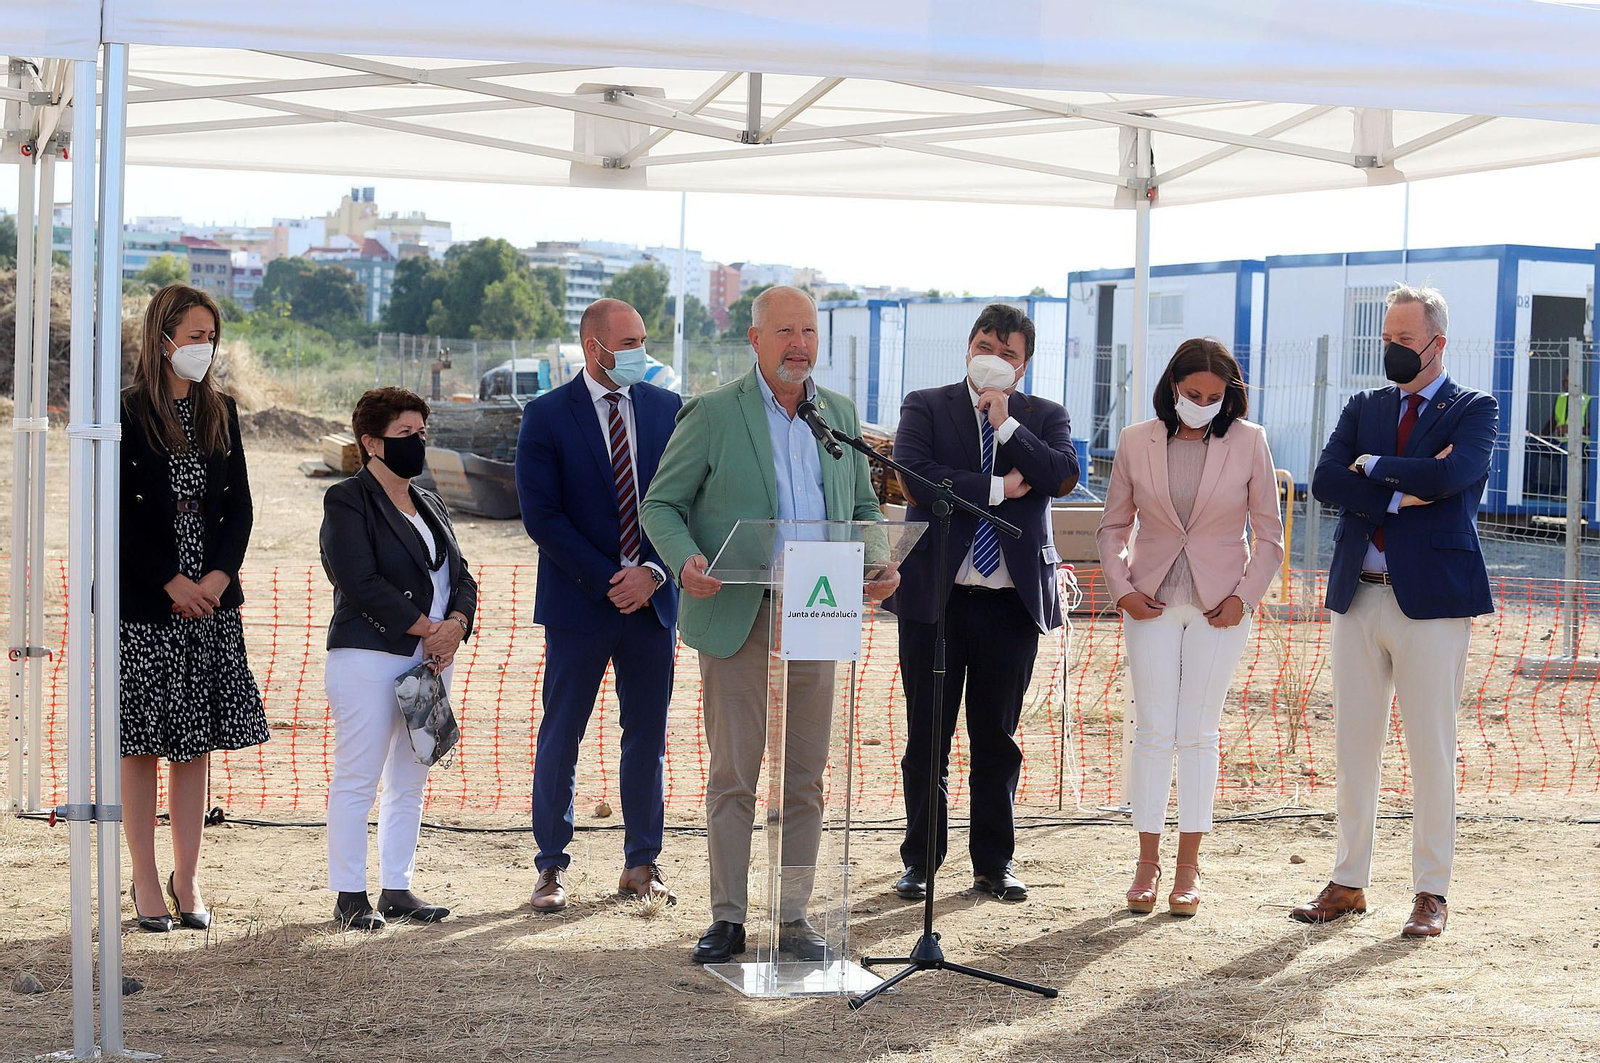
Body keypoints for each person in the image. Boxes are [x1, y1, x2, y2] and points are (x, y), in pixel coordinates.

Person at [640, 285, 897, 964]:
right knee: (735, 773)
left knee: (805, 776)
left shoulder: (837, 415)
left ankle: (794, 917)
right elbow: (660, 504)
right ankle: (728, 918)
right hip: (739, 610)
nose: (799, 345)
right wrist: (685, 559)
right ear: (754, 340)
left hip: (819, 607)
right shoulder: (713, 413)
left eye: (808, 331)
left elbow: (865, 507)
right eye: (785, 331)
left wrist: (878, 560)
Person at [1296, 284, 1496, 938]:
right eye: (1386, 338)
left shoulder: (1475, 409)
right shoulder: (1365, 405)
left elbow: (1451, 478)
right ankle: (1348, 881)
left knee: (1431, 750)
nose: (1392, 350)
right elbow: (1327, 480)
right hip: (1358, 594)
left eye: (1404, 340)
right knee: (1355, 746)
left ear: (1437, 343)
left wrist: (1375, 467)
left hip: (1433, 603)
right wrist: (1400, 492)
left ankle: (1431, 892)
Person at [883, 303, 1079, 904]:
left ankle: (995, 862)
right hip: (936, 599)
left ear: (1023, 366)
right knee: (928, 736)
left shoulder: (1045, 416)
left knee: (997, 738)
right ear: (968, 348)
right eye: (985, 347)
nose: (993, 359)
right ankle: (922, 860)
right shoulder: (925, 404)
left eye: (1008, 353)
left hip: (1009, 603)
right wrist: (997, 487)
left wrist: (1007, 427)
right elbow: (914, 476)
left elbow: (1061, 476)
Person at [1096, 339, 1283, 917]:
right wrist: (1123, 589)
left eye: (1213, 396)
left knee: (1198, 732)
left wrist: (1243, 598)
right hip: (1149, 600)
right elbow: (1112, 527)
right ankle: (1146, 864)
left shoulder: (1249, 441)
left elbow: (1270, 536)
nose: (1202, 404)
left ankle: (1188, 868)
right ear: (1172, 387)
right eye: (1192, 393)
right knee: (1153, 730)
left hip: (1219, 605)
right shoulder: (1136, 440)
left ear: (1229, 396)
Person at [516, 299, 683, 913]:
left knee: (647, 739)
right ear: (595, 348)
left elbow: (690, 502)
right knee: (562, 736)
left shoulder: (668, 409)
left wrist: (653, 574)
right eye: (631, 342)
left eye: (644, 340)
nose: (642, 352)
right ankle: (550, 867)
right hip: (579, 607)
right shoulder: (545, 415)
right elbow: (542, 516)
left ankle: (641, 863)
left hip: (652, 607)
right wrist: (612, 578)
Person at [120, 284, 267, 933]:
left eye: (211, 337)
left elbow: (240, 506)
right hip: (145, 604)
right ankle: (145, 877)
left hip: (211, 601)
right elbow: (116, 515)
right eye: (194, 336)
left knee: (193, 744)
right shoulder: (125, 412)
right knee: (141, 744)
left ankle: (188, 875)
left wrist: (216, 577)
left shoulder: (221, 411)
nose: (204, 347)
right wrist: (170, 582)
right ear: (163, 340)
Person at [320, 387, 479, 931]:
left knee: (411, 775)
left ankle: (397, 887)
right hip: (368, 656)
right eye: (406, 434)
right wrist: (428, 628)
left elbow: (462, 577)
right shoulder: (347, 500)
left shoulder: (430, 502)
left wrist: (455, 626)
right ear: (371, 442)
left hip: (431, 661)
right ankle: (349, 894)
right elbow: (358, 580)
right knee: (358, 777)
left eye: (422, 432)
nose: (418, 442)